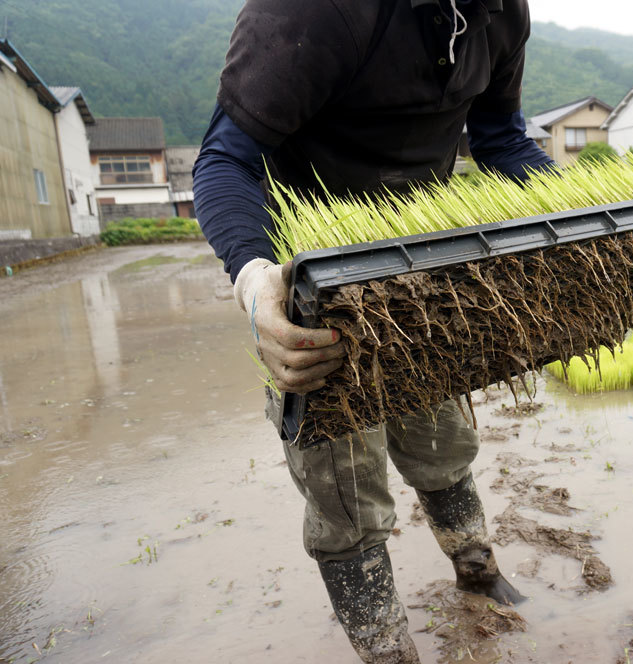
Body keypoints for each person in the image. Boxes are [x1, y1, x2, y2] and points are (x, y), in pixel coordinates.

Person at [192, 1, 554, 661]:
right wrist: (253, 281)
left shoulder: (502, 11)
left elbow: (500, 136)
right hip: (319, 286)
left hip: (425, 271)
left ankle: (477, 571)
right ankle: (387, 646)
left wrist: (581, 210)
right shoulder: (313, 10)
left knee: (444, 439)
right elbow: (225, 159)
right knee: (344, 485)